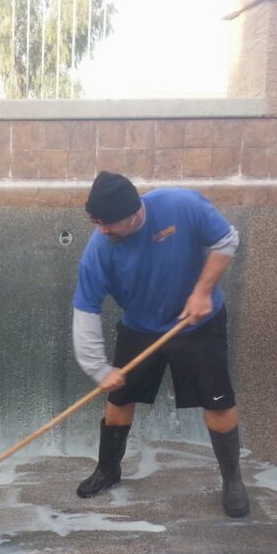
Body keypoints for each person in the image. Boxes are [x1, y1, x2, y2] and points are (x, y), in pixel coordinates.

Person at [71, 171, 249, 517]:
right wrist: (97, 368)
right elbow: (86, 308)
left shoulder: (182, 205)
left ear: (134, 212)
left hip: (199, 321)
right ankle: (108, 469)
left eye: (108, 223)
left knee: (218, 403)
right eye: (96, 222)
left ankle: (232, 479)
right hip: (140, 326)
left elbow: (226, 240)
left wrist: (201, 293)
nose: (102, 230)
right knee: (119, 398)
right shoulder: (99, 249)